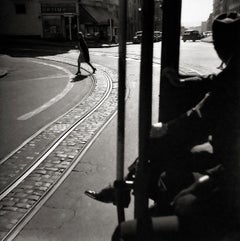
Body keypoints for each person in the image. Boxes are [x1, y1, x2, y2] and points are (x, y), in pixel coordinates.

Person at [86, 12, 240, 239]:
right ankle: (127, 186)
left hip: (231, 178)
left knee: (127, 233)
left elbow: (200, 117)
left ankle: (126, 188)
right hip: (227, 166)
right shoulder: (233, 74)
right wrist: (183, 81)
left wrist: (168, 128)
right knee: (164, 155)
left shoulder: (233, 81)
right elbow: (214, 82)